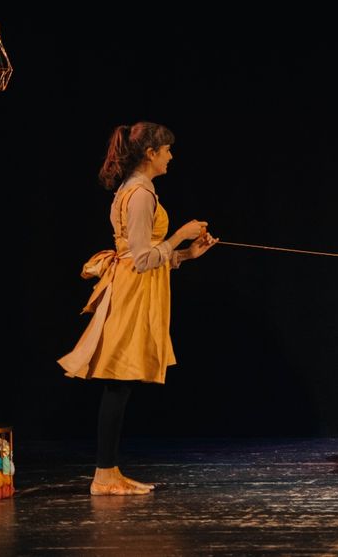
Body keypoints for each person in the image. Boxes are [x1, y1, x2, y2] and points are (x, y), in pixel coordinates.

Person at [58, 121, 218, 495]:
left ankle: (108, 471)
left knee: (121, 381)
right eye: (167, 150)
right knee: (119, 380)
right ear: (151, 153)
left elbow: (140, 255)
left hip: (134, 285)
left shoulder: (134, 189)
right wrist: (180, 235)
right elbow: (144, 259)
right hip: (133, 292)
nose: (171, 156)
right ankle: (104, 475)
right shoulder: (142, 194)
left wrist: (187, 254)